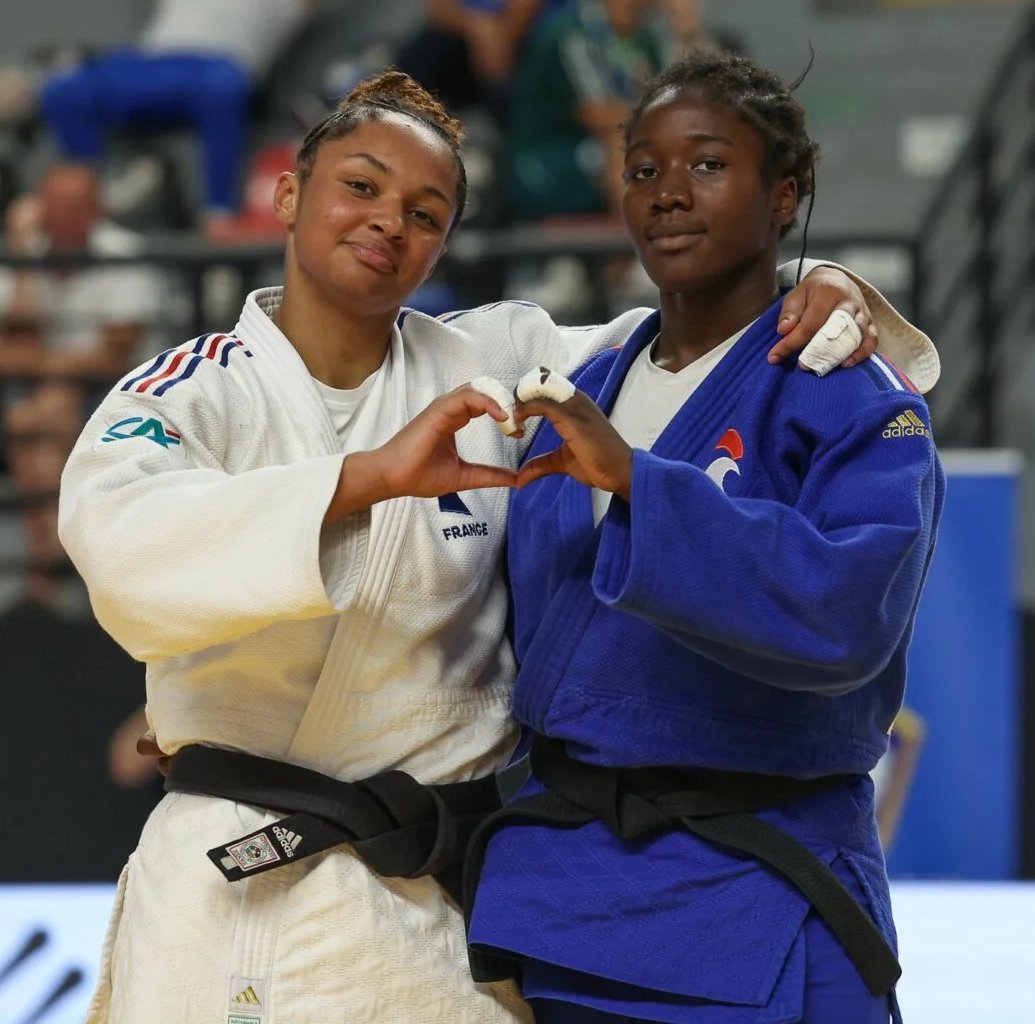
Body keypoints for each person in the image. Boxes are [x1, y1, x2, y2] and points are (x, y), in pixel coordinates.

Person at [58, 70, 933, 1023]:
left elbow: (706, 336)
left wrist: (825, 285)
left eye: (424, 211)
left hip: (432, 907)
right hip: (239, 886)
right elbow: (123, 550)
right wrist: (368, 478)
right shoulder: (186, 392)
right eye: (360, 187)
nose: (388, 221)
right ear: (287, 193)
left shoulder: (491, 365)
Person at [466, 51, 943, 1023]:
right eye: (643, 169)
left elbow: (850, 613)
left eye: (708, 165)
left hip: (760, 892)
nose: (668, 194)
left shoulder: (848, 392)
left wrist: (640, 481)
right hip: (562, 897)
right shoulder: (581, 384)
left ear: (786, 195)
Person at [37, 0, 310, 239]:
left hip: (219, 63)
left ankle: (219, 214)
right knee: (64, 89)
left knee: (222, 85)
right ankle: (88, 199)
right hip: (151, 61)